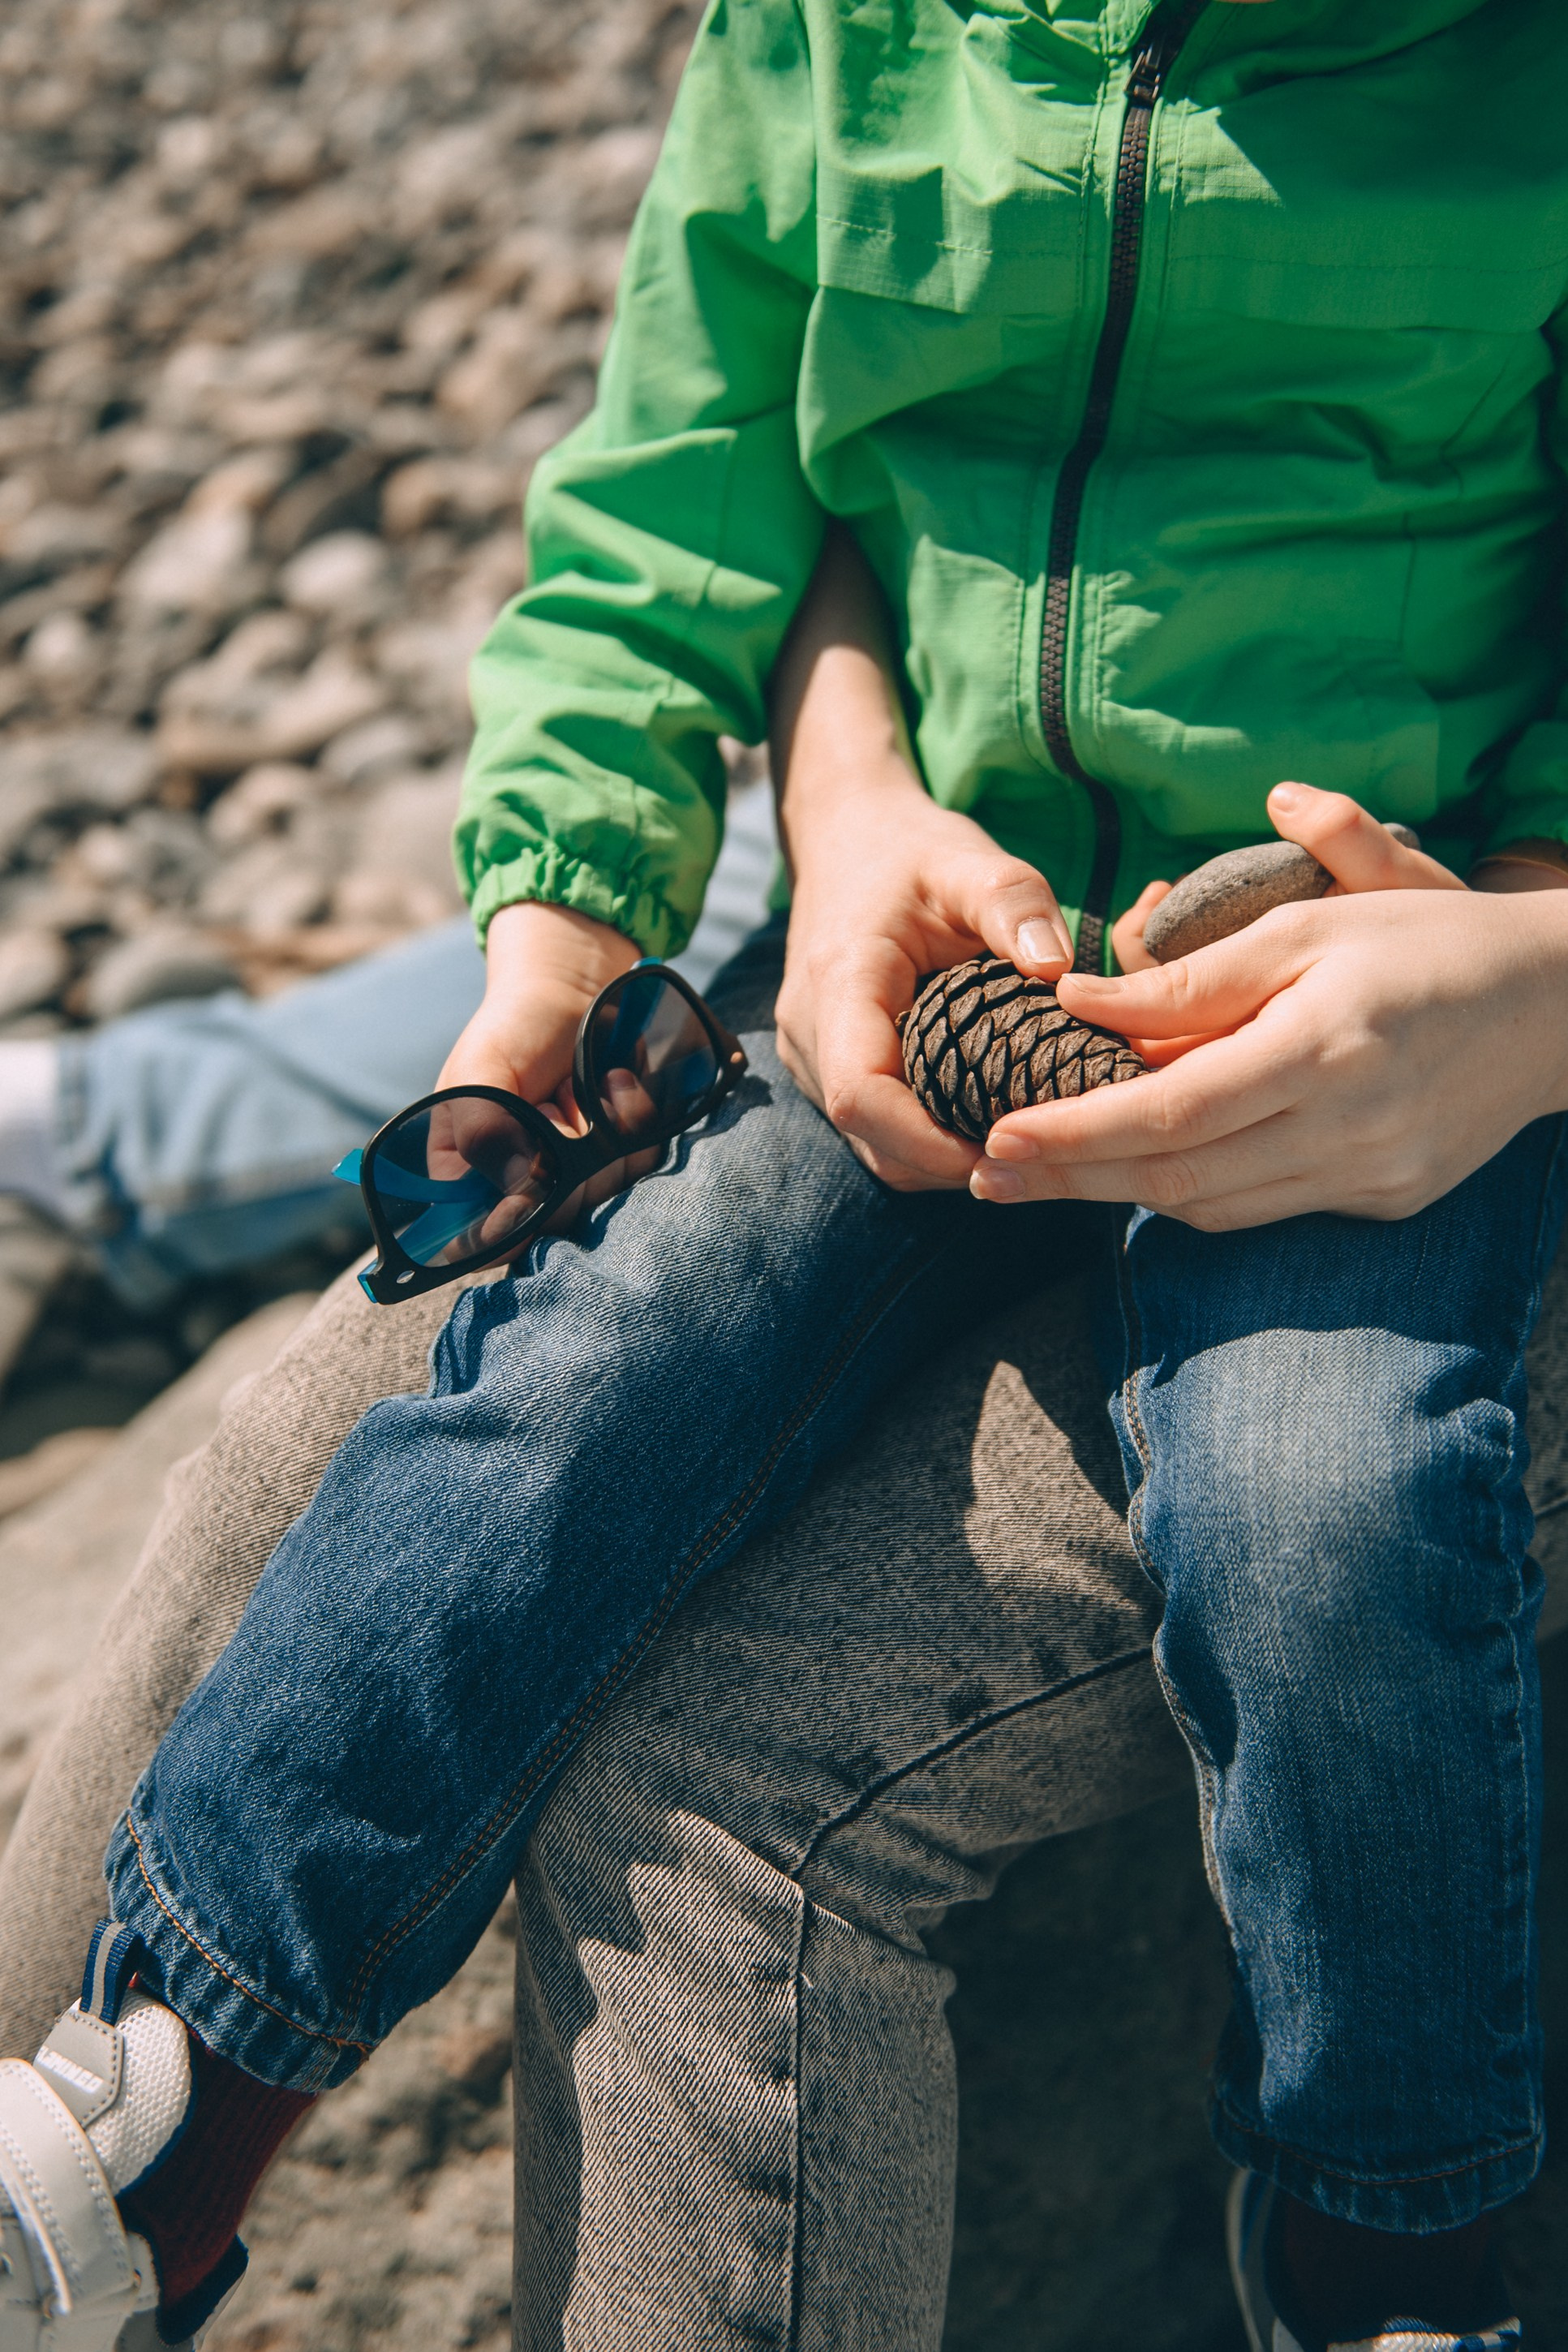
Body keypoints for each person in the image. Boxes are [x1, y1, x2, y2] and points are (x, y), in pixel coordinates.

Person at [3, 4, 1568, 2349]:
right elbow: (684, 489)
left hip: (1362, 976)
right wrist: (564, 926)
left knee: (1324, 1496)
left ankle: (1395, 2241)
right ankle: (167, 2108)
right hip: (930, 945)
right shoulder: (839, 32)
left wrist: (1515, 907)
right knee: (586, 1340)